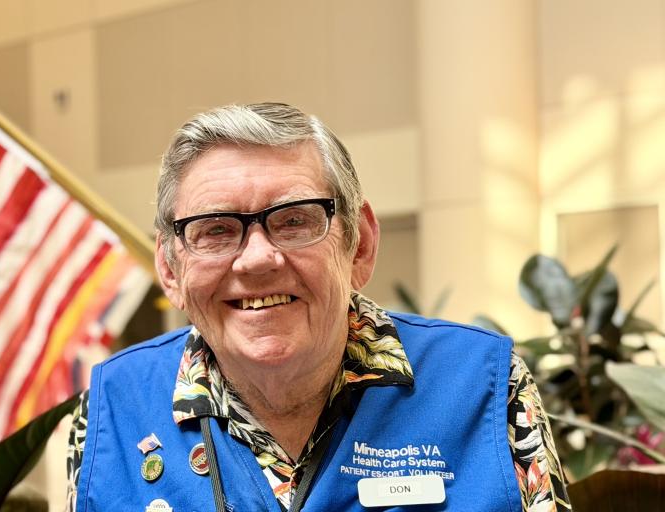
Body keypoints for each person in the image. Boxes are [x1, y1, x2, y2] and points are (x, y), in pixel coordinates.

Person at [66, 103, 570, 511]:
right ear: (171, 268)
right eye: (216, 230)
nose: (258, 258)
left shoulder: (485, 387)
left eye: (294, 221)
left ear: (361, 243)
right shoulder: (113, 408)